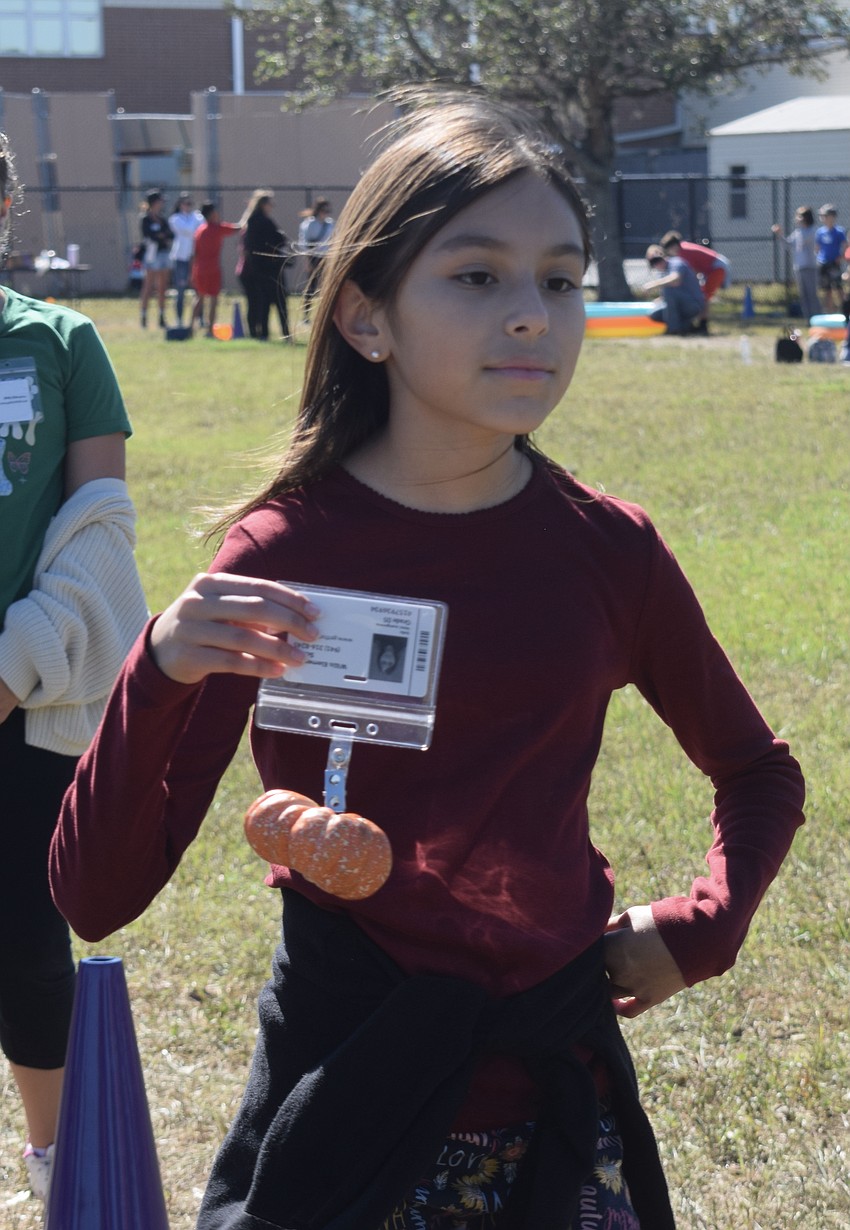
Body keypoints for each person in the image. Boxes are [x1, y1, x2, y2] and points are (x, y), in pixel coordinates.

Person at [50, 92, 805, 1230]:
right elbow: (96, 898)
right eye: (476, 276)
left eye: (558, 279)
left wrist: (699, 929)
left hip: (558, 1110)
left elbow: (758, 772)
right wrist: (158, 670)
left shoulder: (607, 550)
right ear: (367, 317)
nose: (530, 317)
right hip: (342, 1104)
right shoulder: (283, 554)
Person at [0, 131, 148, 1202]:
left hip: (26, 703)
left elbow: (102, 541)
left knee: (22, 933)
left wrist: (9, 670)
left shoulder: (60, 342)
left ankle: (53, 1166)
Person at [237, 191, 291, 341]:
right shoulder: (263, 222)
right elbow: (280, 239)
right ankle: (284, 333)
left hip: (258, 270)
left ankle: (262, 334)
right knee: (279, 304)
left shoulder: (251, 222)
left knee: (262, 304)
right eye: (270, 204)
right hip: (269, 269)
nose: (272, 207)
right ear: (263, 204)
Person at [659, 231, 730, 334]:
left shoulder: (683, 252)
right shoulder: (684, 247)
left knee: (705, 297)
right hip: (711, 270)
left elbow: (690, 271)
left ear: (673, 247)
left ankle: (703, 326)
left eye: (669, 250)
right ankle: (699, 323)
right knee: (702, 294)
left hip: (717, 268)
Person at [190, 201, 240, 338]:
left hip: (199, 268)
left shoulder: (199, 231)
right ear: (212, 214)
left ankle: (190, 327)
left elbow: (194, 253)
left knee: (199, 297)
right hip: (212, 269)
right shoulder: (217, 228)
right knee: (213, 299)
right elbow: (237, 228)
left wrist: (192, 272)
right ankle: (209, 330)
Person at [643, 244, 706, 336]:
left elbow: (675, 280)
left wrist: (652, 285)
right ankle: (685, 326)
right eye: (652, 262)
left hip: (693, 304)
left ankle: (673, 330)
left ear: (664, 256)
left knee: (669, 290)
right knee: (655, 314)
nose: (657, 264)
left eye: (657, 260)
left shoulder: (676, 263)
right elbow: (670, 297)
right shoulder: (662, 273)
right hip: (680, 305)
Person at [771, 207, 821, 322]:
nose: (797, 219)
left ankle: (817, 318)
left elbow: (806, 241)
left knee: (812, 294)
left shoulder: (813, 231)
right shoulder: (798, 232)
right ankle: (809, 319)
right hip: (799, 267)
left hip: (810, 267)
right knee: (804, 295)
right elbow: (789, 244)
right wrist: (780, 234)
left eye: (799, 216)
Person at [168, 193, 204, 328]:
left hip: (196, 258)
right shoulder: (175, 218)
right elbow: (189, 230)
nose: (187, 206)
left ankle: (200, 319)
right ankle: (179, 319)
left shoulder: (198, 216)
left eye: (190, 203)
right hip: (181, 258)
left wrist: (195, 228)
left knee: (199, 290)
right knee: (181, 290)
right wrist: (195, 228)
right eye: (185, 203)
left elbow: (201, 229)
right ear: (180, 205)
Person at [139, 190, 173, 329]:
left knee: (162, 287)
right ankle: (144, 315)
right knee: (149, 285)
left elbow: (170, 235)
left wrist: (161, 235)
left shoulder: (162, 219)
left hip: (163, 253)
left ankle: (161, 315)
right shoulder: (145, 219)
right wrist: (160, 235)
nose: (162, 203)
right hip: (152, 255)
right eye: (160, 201)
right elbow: (149, 235)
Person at [297, 197, 334, 322]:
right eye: (323, 210)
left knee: (326, 287)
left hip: (326, 257)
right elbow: (304, 242)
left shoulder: (330, 224)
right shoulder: (310, 224)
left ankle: (325, 315)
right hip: (313, 257)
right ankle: (306, 316)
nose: (326, 213)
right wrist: (306, 260)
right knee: (311, 288)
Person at [814, 204, 847, 313]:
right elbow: (817, 248)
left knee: (838, 288)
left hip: (834, 263)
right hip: (823, 263)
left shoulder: (839, 231)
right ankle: (829, 311)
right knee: (826, 289)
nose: (823, 218)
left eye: (826, 215)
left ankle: (844, 310)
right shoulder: (820, 232)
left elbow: (845, 246)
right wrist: (819, 258)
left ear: (832, 217)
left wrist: (840, 257)